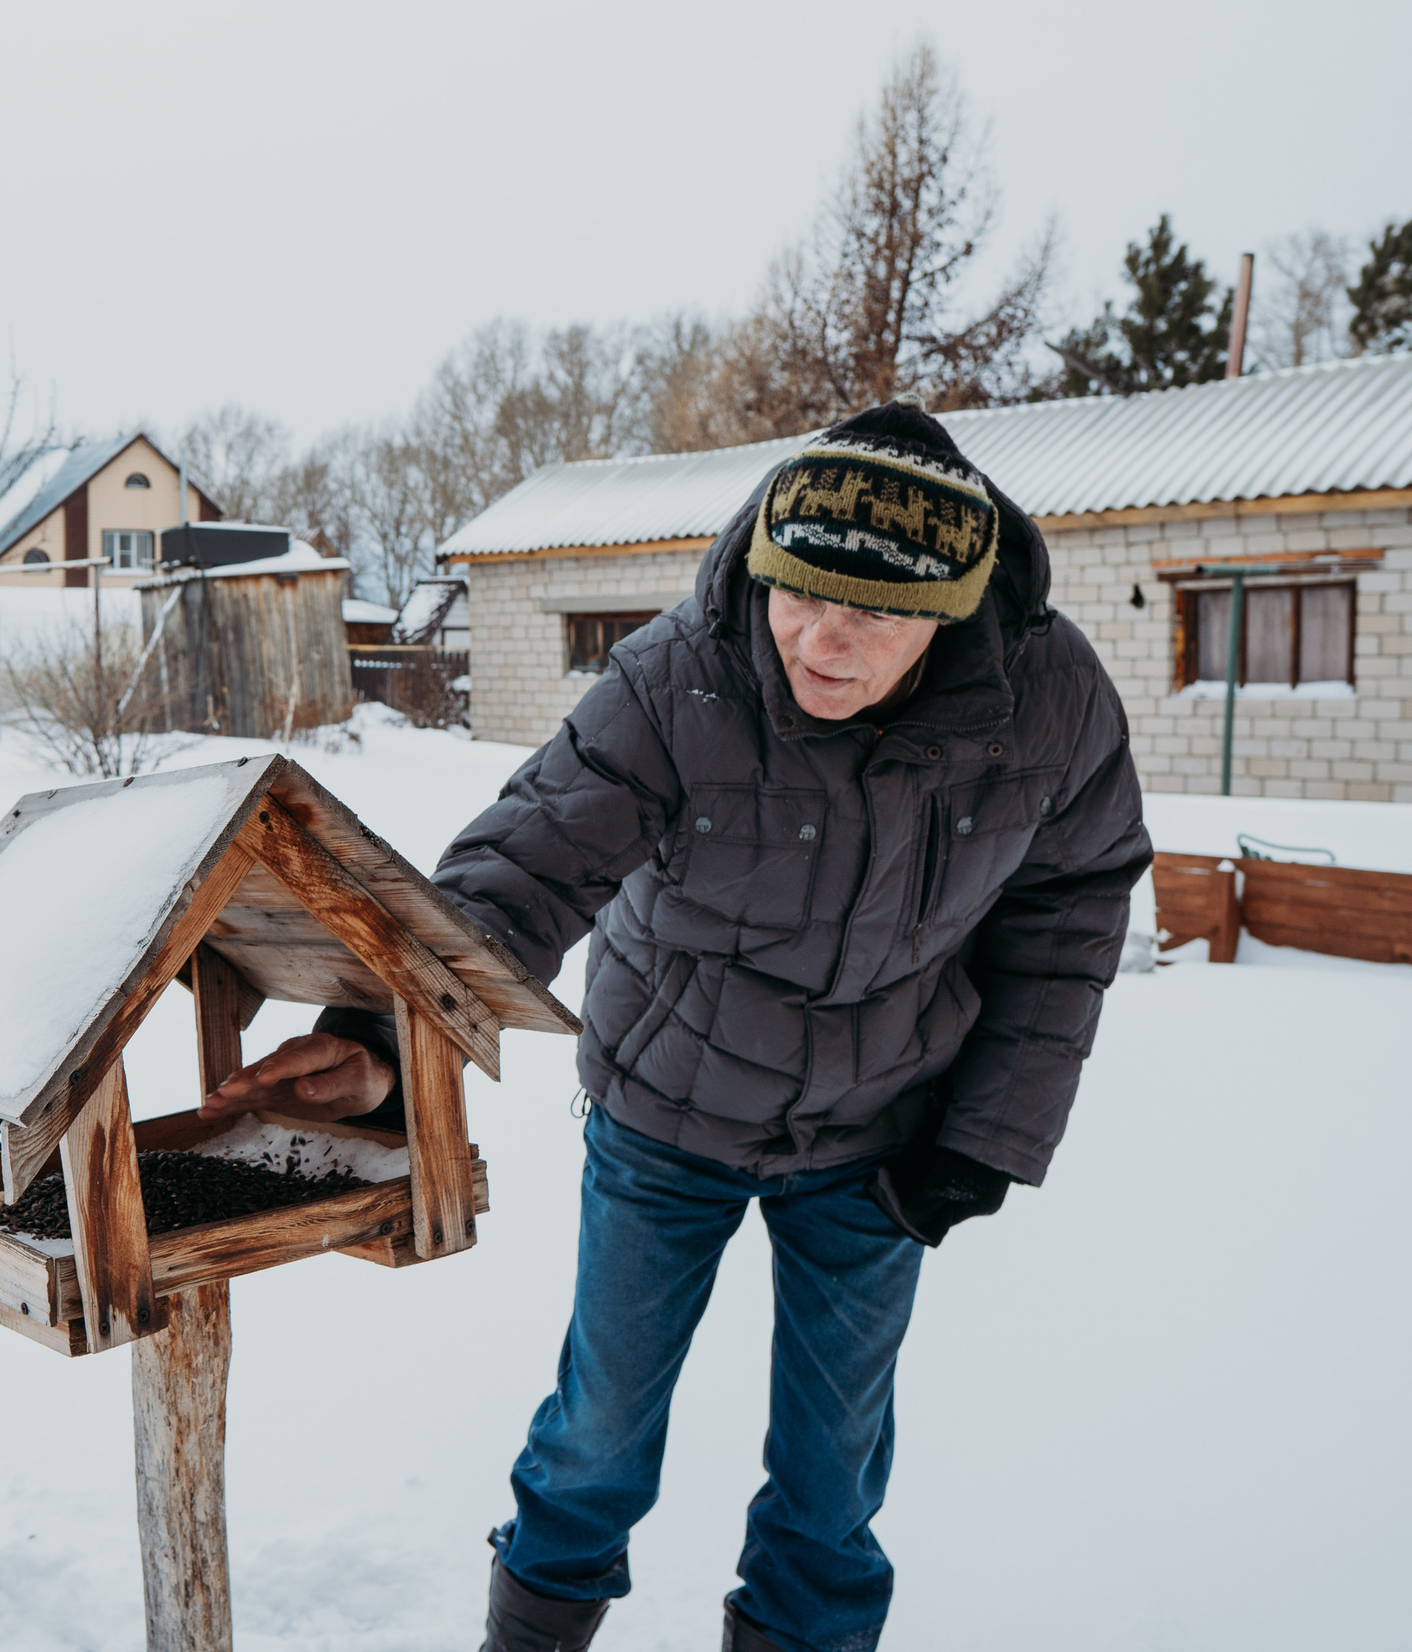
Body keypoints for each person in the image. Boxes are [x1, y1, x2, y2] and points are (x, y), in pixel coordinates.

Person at [200, 405, 1152, 1652]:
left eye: (870, 612)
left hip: (882, 1129)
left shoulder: (1048, 703)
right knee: (599, 1430)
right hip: (667, 1106)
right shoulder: (678, 677)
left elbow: (1069, 913)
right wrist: (385, 1036)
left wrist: (984, 1139)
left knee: (833, 1473)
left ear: (953, 609)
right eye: (799, 593)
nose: (819, 637)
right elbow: (518, 874)